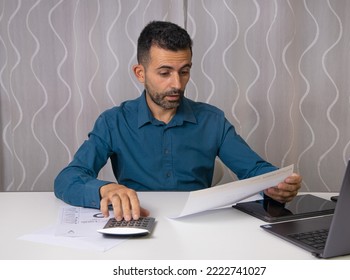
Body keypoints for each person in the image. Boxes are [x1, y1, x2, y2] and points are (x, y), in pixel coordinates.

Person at [54, 21, 302, 222]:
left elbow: (256, 170)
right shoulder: (113, 121)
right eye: (164, 73)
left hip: (199, 226)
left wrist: (277, 184)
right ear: (140, 73)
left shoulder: (212, 120)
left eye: (184, 71)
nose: (176, 84)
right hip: (136, 222)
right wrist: (103, 189)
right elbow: (68, 178)